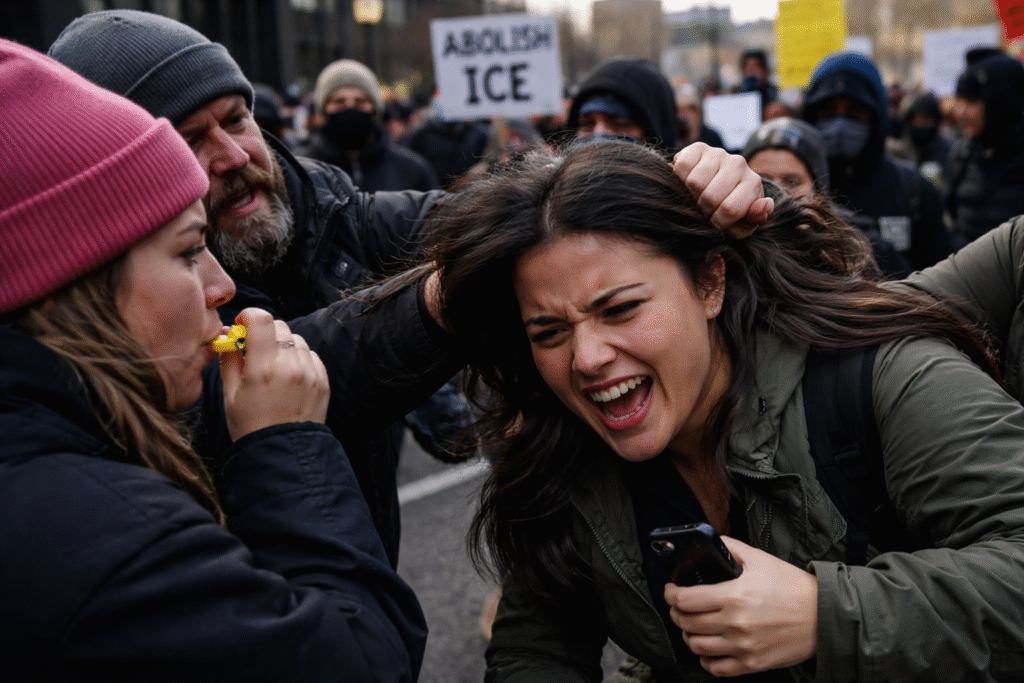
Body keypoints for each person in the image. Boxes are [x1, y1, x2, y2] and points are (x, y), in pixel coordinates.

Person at [428, 139, 1024, 680]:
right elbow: (534, 654)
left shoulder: (883, 377)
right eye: (549, 330)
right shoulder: (560, 459)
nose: (586, 357)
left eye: (620, 310)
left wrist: (824, 615)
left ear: (710, 283)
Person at [0, 39, 425, 681]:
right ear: (71, 281)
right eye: (188, 250)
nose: (221, 287)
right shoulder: (107, 542)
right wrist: (287, 444)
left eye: (237, 119)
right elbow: (357, 660)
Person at [48, 9, 468, 567]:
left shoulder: (331, 211)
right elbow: (269, 372)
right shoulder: (121, 313)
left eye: (237, 119)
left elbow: (458, 218)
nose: (234, 155)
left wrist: (565, 200)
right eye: (188, 139)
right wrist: (446, 297)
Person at [802, 52, 953, 273]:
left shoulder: (914, 190)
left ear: (877, 116)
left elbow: (944, 282)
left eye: (854, 111)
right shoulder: (796, 187)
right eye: (828, 111)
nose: (840, 123)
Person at [743, 116, 912, 276]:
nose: (777, 191)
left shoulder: (863, 250)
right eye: (763, 180)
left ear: (818, 191)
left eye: (792, 182)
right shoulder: (729, 248)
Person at [298, 59, 440, 192]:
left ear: (376, 110)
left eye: (360, 101)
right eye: (339, 101)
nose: (350, 108)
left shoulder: (412, 171)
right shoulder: (298, 169)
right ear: (322, 111)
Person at [944, 51, 1024, 247]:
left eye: (971, 101)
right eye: (959, 99)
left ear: (1002, 102)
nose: (960, 112)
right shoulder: (962, 155)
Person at [567, 57, 681, 155]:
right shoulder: (559, 179)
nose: (598, 135)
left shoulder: (689, 180)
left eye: (619, 124)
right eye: (587, 124)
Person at [886, 91, 953, 188]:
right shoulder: (896, 151)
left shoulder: (950, 153)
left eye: (926, 120)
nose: (921, 125)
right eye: (917, 120)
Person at [676, 82, 726, 150]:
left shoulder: (712, 137)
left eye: (691, 109)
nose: (685, 114)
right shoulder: (673, 138)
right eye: (680, 110)